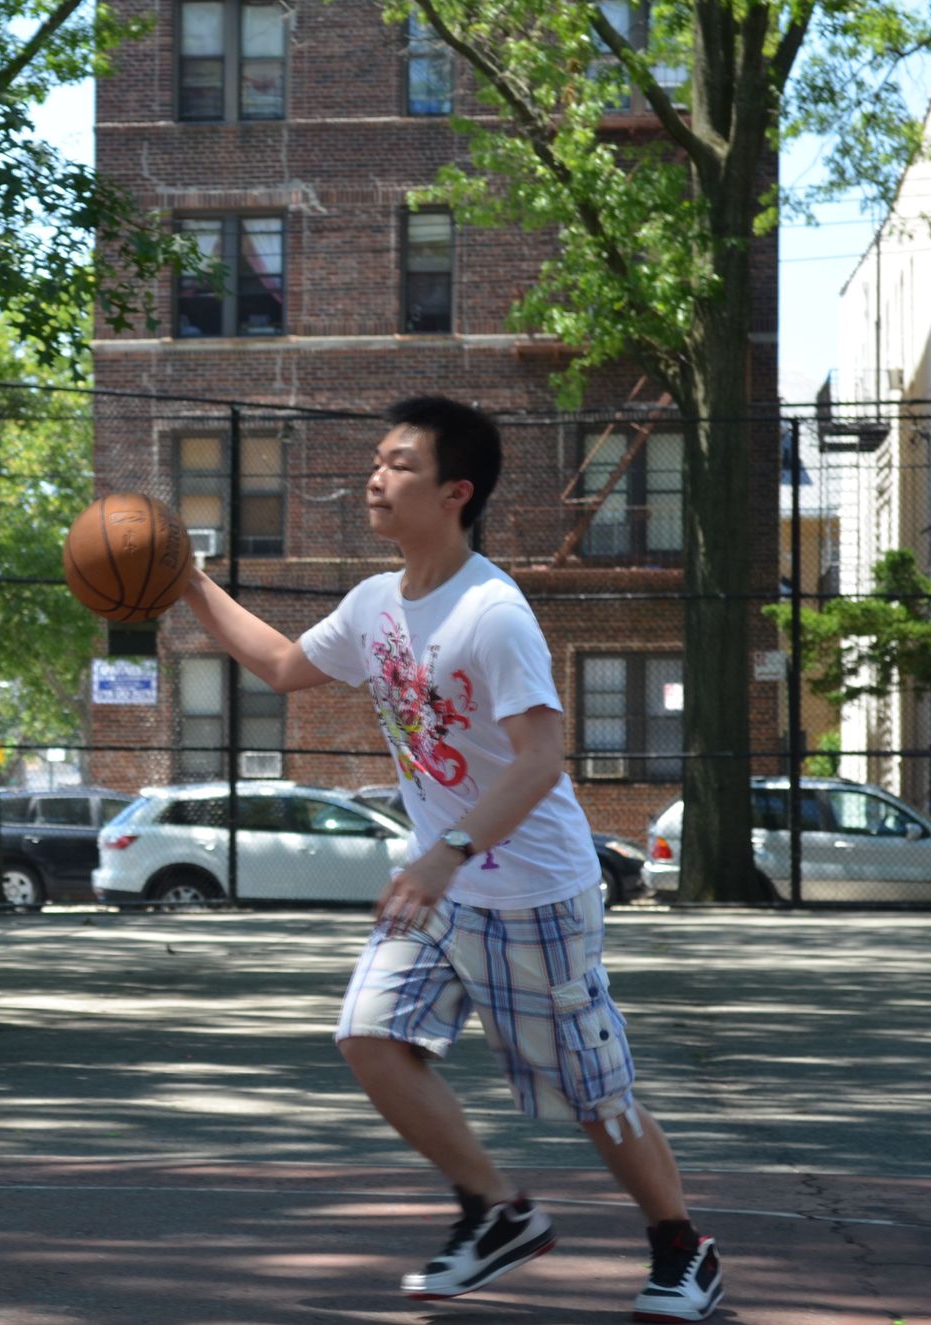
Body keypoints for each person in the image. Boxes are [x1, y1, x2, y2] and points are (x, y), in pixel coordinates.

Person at [177, 397, 725, 1322]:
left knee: (593, 1094)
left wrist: (450, 851)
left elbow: (544, 757)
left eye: (398, 465)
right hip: (446, 886)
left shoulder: (492, 613)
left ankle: (684, 1247)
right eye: (377, 462)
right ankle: (497, 1209)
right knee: (368, 1035)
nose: (374, 479)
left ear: (455, 492)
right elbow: (279, 664)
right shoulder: (375, 603)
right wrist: (191, 584)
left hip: (535, 890)